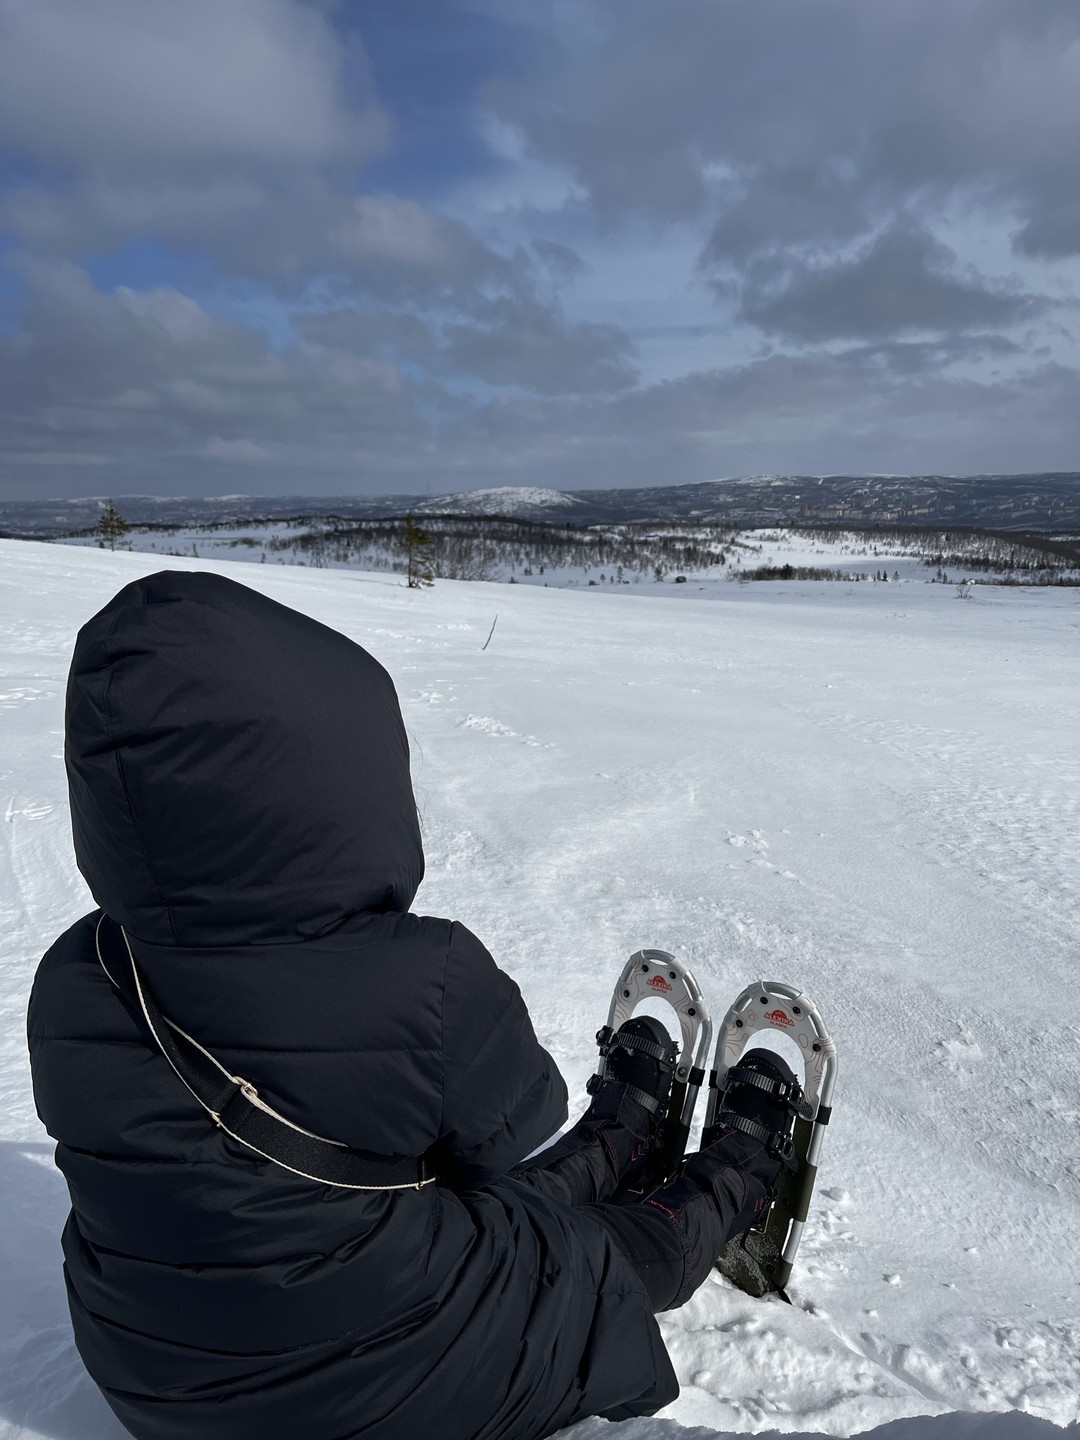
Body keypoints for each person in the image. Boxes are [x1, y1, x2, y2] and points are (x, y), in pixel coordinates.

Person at [28, 570, 799, 1440]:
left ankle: (622, 1136)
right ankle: (737, 1169)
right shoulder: (424, 979)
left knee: (467, 1212)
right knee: (583, 1264)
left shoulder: (74, 972)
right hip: (369, 1385)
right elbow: (514, 1125)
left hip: (147, 1374)